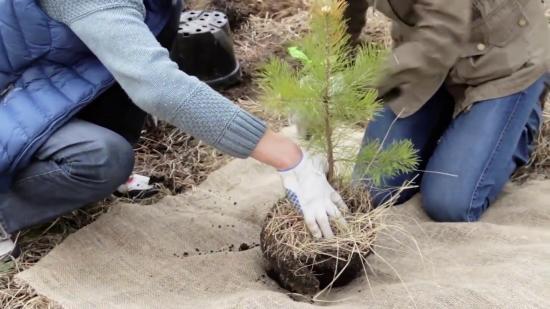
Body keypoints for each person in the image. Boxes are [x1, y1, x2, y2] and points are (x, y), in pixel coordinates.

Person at [0, 0, 348, 261]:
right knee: (103, 158)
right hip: (10, 95)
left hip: (42, 79)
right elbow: (157, 86)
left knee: (155, 26)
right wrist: (288, 156)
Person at [347, 0, 550, 221]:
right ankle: (454, 125)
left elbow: (442, 35)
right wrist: (333, 73)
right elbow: (341, 8)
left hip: (502, 59)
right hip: (425, 60)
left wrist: (360, 86)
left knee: (448, 203)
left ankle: (519, 122)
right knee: (373, 189)